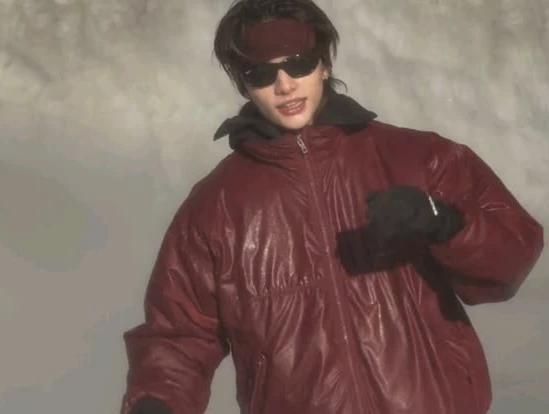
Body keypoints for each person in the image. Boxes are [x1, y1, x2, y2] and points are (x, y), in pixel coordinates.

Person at [120, 1, 544, 413]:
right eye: (261, 73)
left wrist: (445, 224)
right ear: (243, 85)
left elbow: (511, 262)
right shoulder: (215, 208)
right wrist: (157, 403)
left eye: (299, 64)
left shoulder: (418, 158)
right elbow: (178, 335)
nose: (285, 86)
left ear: (324, 64)